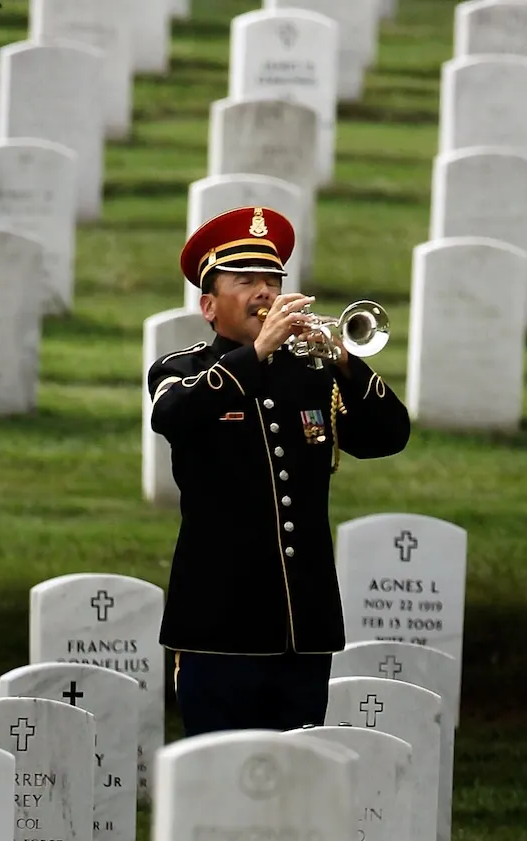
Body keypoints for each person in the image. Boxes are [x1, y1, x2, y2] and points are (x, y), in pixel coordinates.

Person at [149, 205, 411, 736]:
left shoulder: (312, 375)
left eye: (272, 280)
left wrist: (344, 360)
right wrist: (258, 354)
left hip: (302, 624)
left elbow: (389, 435)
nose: (264, 293)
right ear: (208, 304)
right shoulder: (184, 370)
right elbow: (171, 415)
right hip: (216, 625)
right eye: (245, 281)